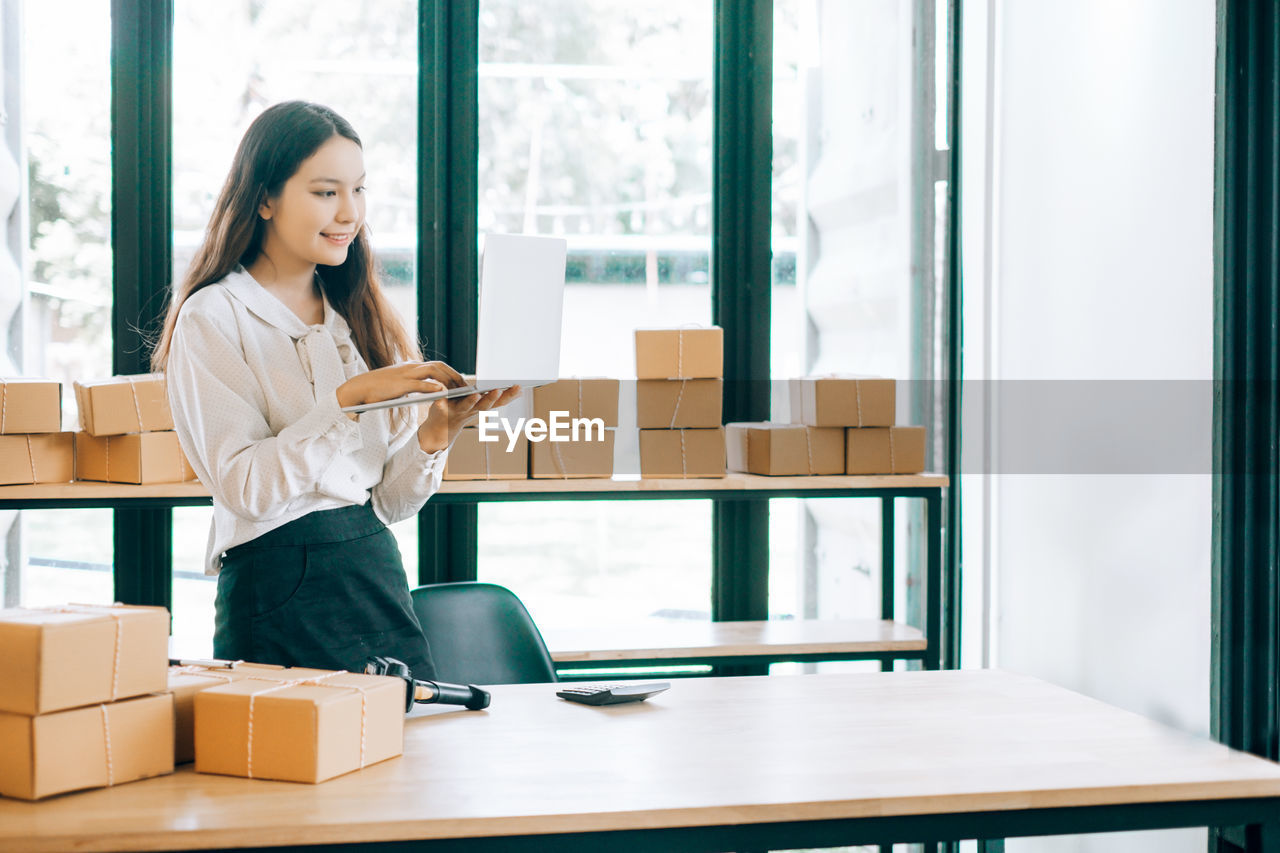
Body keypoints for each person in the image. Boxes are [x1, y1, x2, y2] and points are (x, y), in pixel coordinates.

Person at [151, 101, 516, 679]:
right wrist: (348, 403)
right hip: (277, 586)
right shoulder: (214, 317)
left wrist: (437, 430)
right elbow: (247, 488)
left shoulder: (357, 316)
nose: (350, 212)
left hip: (374, 573)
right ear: (264, 198)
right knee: (297, 762)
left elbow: (389, 503)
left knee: (407, 760)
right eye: (326, 192)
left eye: (359, 190)